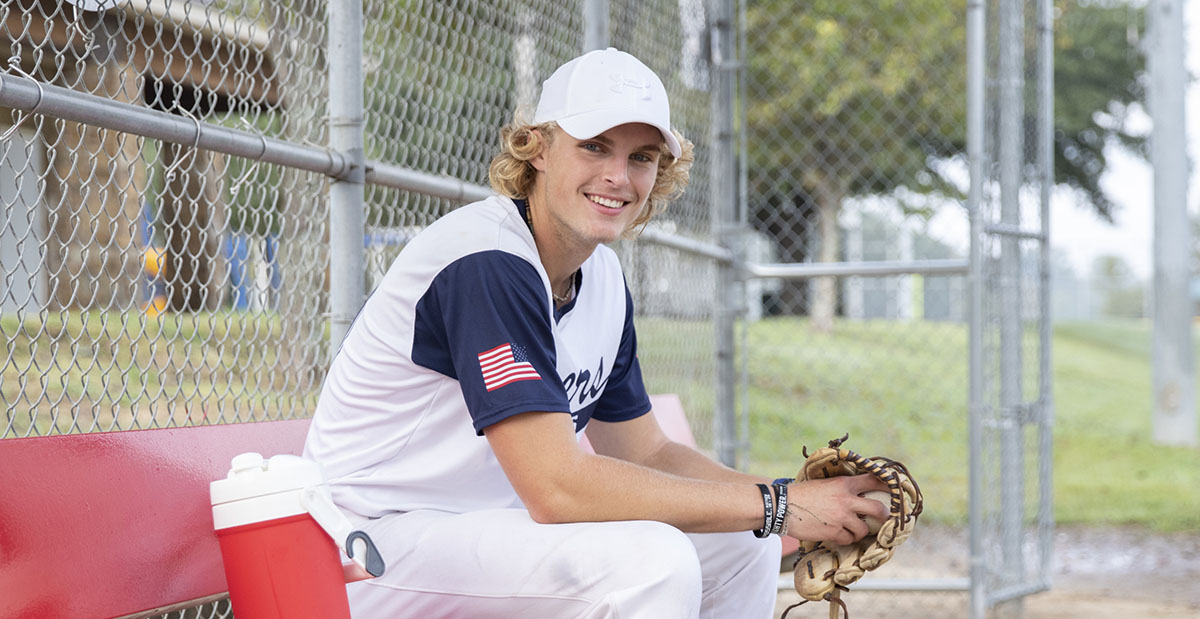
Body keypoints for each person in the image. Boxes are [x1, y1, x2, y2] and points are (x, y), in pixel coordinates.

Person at [302, 47, 888, 619]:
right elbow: (558, 489)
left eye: (642, 157)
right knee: (653, 562)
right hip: (369, 546)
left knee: (743, 542)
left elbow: (648, 452)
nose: (618, 176)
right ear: (538, 149)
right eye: (595, 146)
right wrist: (780, 506)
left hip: (482, 535)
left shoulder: (600, 274)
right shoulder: (485, 261)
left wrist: (798, 503)